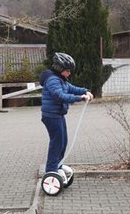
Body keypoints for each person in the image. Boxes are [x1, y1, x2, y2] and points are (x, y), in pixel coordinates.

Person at [39, 52, 93, 183]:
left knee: (63, 142)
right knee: (57, 143)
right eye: (67, 71)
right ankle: (51, 170)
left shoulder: (61, 79)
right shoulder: (52, 80)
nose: (69, 73)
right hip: (51, 116)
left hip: (58, 115)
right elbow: (59, 96)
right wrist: (79, 98)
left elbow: (72, 88)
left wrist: (85, 91)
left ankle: (58, 165)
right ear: (59, 69)